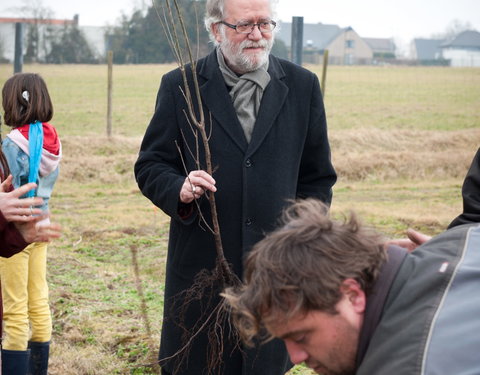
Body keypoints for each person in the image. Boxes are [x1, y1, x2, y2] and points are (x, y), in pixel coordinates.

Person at [134, 0, 336, 373]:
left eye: (265, 24)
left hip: (274, 275)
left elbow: (318, 178)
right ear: (216, 29)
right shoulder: (181, 86)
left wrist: (301, 239)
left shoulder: (302, 86)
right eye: (245, 25)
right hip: (200, 273)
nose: (257, 35)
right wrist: (178, 187)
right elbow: (150, 165)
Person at [224, 198, 480, 375]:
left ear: (352, 294)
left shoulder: (410, 365)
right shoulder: (465, 240)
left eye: (302, 336)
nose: (295, 358)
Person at [1, 73, 62, 375]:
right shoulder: (51, 138)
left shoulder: (12, 144)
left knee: (14, 311)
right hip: (42, 225)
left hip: (14, 233)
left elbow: (7, 187)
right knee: (39, 301)